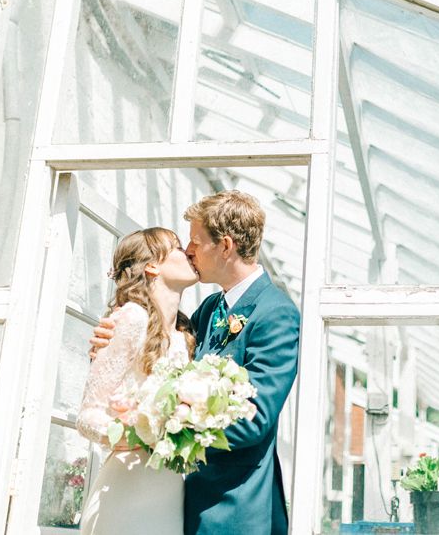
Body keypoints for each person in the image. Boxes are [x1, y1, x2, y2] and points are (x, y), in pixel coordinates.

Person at [90, 191, 301, 535]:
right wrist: (109, 342)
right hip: (176, 500)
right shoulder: (208, 310)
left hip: (233, 507)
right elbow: (157, 352)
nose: (188, 251)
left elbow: (254, 418)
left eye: (195, 242)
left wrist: (159, 425)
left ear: (226, 246)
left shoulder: (275, 313)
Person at [77, 227, 199, 535]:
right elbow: (88, 415)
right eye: (178, 247)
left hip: (171, 490)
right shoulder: (131, 318)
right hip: (126, 489)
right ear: (152, 264)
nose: (188, 253)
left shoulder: (186, 335)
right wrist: (140, 431)